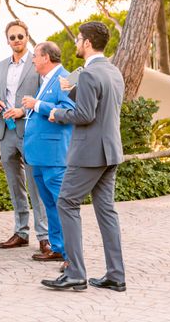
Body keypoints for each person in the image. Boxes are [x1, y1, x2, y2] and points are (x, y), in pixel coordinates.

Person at [42, 21, 126, 292]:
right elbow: (101, 108)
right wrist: (73, 91)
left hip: (89, 152)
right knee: (107, 211)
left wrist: (57, 114)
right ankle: (116, 275)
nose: (76, 43)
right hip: (111, 151)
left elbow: (85, 115)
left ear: (87, 43)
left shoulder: (89, 74)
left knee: (66, 202)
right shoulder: (114, 72)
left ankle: (76, 272)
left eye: (78, 39)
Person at [0, 20, 49, 252]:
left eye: (20, 36)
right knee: (15, 185)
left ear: (27, 37)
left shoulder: (37, 63)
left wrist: (23, 110)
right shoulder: (0, 66)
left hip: (30, 131)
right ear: (7, 40)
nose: (16, 40)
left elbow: (44, 97)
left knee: (35, 184)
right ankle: (21, 232)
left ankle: (44, 236)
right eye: (12, 37)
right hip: (6, 132)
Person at [22, 42, 74, 263]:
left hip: (54, 155)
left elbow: (69, 112)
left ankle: (71, 256)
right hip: (38, 155)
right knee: (50, 205)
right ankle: (58, 247)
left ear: (46, 58)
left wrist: (37, 105)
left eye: (35, 56)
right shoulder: (45, 80)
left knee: (61, 204)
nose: (32, 59)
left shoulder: (65, 79)